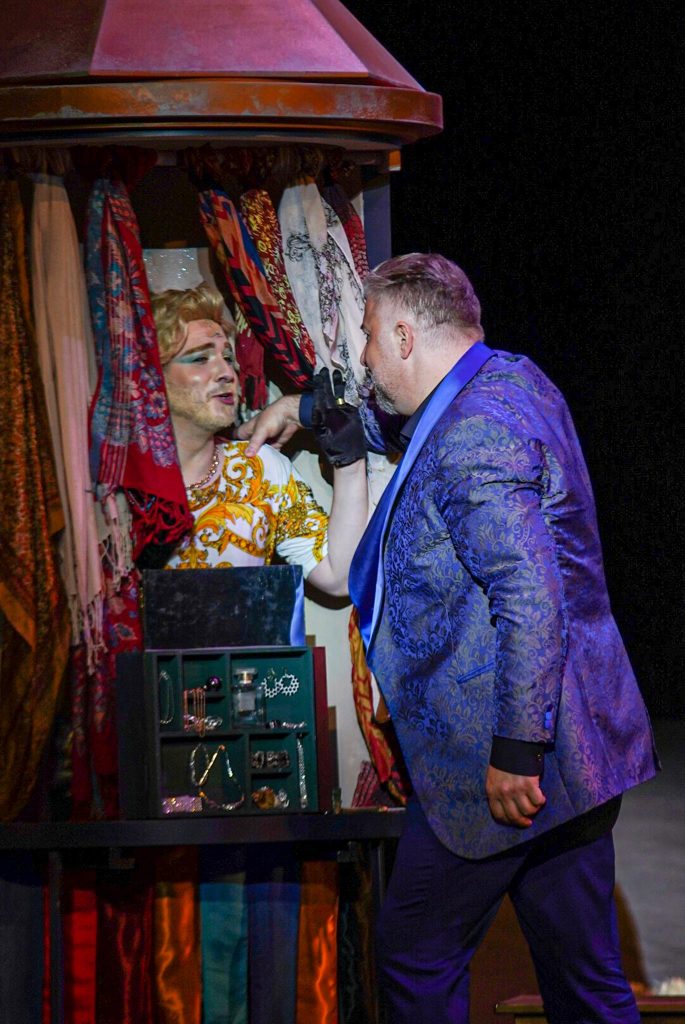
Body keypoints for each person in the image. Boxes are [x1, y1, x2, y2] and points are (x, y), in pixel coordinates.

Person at [240, 252, 659, 1024]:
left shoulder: (473, 435)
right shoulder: (511, 379)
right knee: (585, 983)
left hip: (502, 765)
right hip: (577, 757)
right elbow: (408, 426)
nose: (365, 360)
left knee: (414, 959)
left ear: (404, 336)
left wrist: (515, 751)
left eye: (369, 339)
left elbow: (528, 600)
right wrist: (306, 407)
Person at [151, 282, 368, 593]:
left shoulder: (258, 469)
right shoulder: (119, 485)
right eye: (200, 359)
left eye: (228, 358)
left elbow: (338, 578)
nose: (226, 372)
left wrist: (349, 461)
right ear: (152, 374)